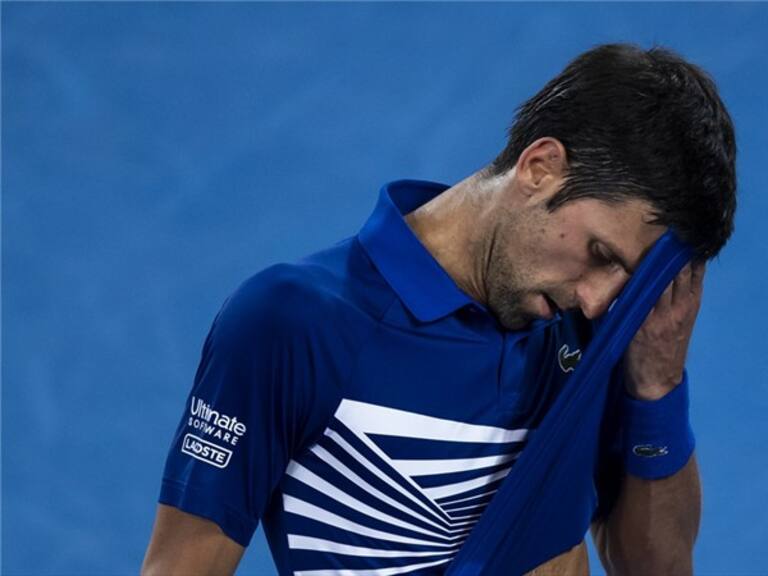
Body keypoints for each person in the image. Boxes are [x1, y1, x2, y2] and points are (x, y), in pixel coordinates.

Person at [141, 43, 736, 575]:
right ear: (540, 167)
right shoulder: (293, 322)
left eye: (625, 280)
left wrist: (656, 385)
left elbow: (658, 569)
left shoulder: (590, 329)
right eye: (599, 253)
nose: (597, 298)